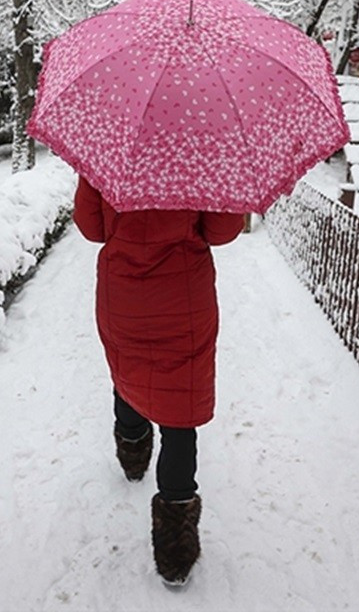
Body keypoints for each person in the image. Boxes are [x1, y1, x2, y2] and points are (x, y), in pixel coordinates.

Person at [71, 175, 244, 587]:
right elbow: (223, 232)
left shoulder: (107, 153)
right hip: (184, 297)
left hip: (123, 293)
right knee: (179, 405)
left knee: (128, 371)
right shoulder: (200, 156)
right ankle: (175, 549)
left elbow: (90, 227)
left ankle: (132, 455)